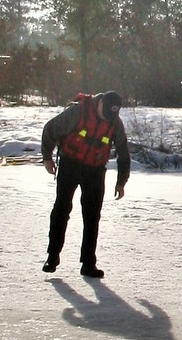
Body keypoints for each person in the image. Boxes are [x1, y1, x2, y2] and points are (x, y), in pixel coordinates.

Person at [41, 90, 130, 278]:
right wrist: (47, 158)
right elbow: (50, 130)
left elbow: (123, 151)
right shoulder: (77, 112)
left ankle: (88, 263)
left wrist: (121, 181)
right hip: (70, 164)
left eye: (111, 115)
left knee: (92, 217)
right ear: (99, 104)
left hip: (95, 170)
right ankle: (53, 256)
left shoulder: (115, 122)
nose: (108, 118)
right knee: (62, 209)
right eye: (105, 113)